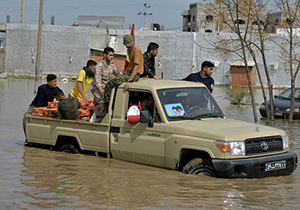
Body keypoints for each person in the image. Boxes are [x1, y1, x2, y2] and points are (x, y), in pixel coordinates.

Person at [100, 34, 144, 117]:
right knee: (115, 85)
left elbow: (136, 66)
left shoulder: (136, 50)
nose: (128, 47)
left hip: (134, 74)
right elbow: (131, 65)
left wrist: (129, 80)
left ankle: (107, 108)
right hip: (129, 73)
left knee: (110, 84)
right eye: (127, 45)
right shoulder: (129, 50)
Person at [91, 47, 121, 121]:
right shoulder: (99, 66)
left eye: (112, 55)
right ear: (104, 55)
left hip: (108, 92)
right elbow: (97, 82)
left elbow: (118, 74)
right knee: (100, 115)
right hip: (100, 94)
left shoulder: (112, 65)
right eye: (110, 55)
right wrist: (103, 93)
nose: (112, 57)